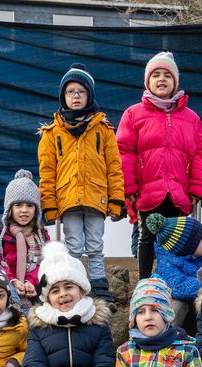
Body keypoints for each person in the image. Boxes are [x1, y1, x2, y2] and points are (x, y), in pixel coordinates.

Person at [116, 51, 202, 279]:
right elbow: (123, 152)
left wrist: (196, 190)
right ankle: (144, 284)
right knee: (146, 238)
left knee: (176, 240)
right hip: (147, 191)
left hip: (178, 192)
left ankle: (172, 282)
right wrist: (129, 187)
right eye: (156, 75)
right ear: (148, 81)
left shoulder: (191, 118)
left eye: (167, 75)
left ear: (175, 82)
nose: (161, 79)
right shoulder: (133, 114)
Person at [38, 63, 124, 303]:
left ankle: (99, 286)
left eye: (81, 91)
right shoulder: (52, 133)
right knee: (73, 246)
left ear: (89, 95)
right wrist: (49, 205)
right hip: (68, 199)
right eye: (70, 91)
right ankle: (75, 284)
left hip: (96, 197)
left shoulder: (103, 129)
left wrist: (116, 200)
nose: (75, 96)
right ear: (63, 96)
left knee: (95, 245)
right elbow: (47, 172)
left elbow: (114, 167)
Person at [0, 169, 49, 308]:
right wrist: (12, 280)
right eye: (18, 205)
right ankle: (18, 311)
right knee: (8, 294)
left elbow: (43, 262)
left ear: (36, 210)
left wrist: (30, 281)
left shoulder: (40, 235)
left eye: (30, 205)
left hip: (32, 284)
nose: (24, 210)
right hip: (3, 281)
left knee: (47, 299)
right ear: (9, 209)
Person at [147, 213, 202, 332]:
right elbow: (181, 287)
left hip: (200, 312)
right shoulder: (167, 265)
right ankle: (166, 335)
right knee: (178, 304)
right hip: (183, 307)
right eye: (201, 238)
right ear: (187, 247)